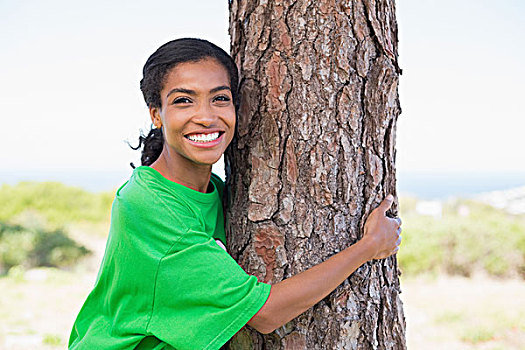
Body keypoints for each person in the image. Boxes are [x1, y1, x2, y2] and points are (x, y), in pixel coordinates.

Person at [68, 38, 402, 350]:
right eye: (184, 100)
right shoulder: (151, 206)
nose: (206, 116)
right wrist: (369, 247)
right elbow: (266, 314)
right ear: (156, 115)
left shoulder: (216, 190)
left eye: (220, 98)